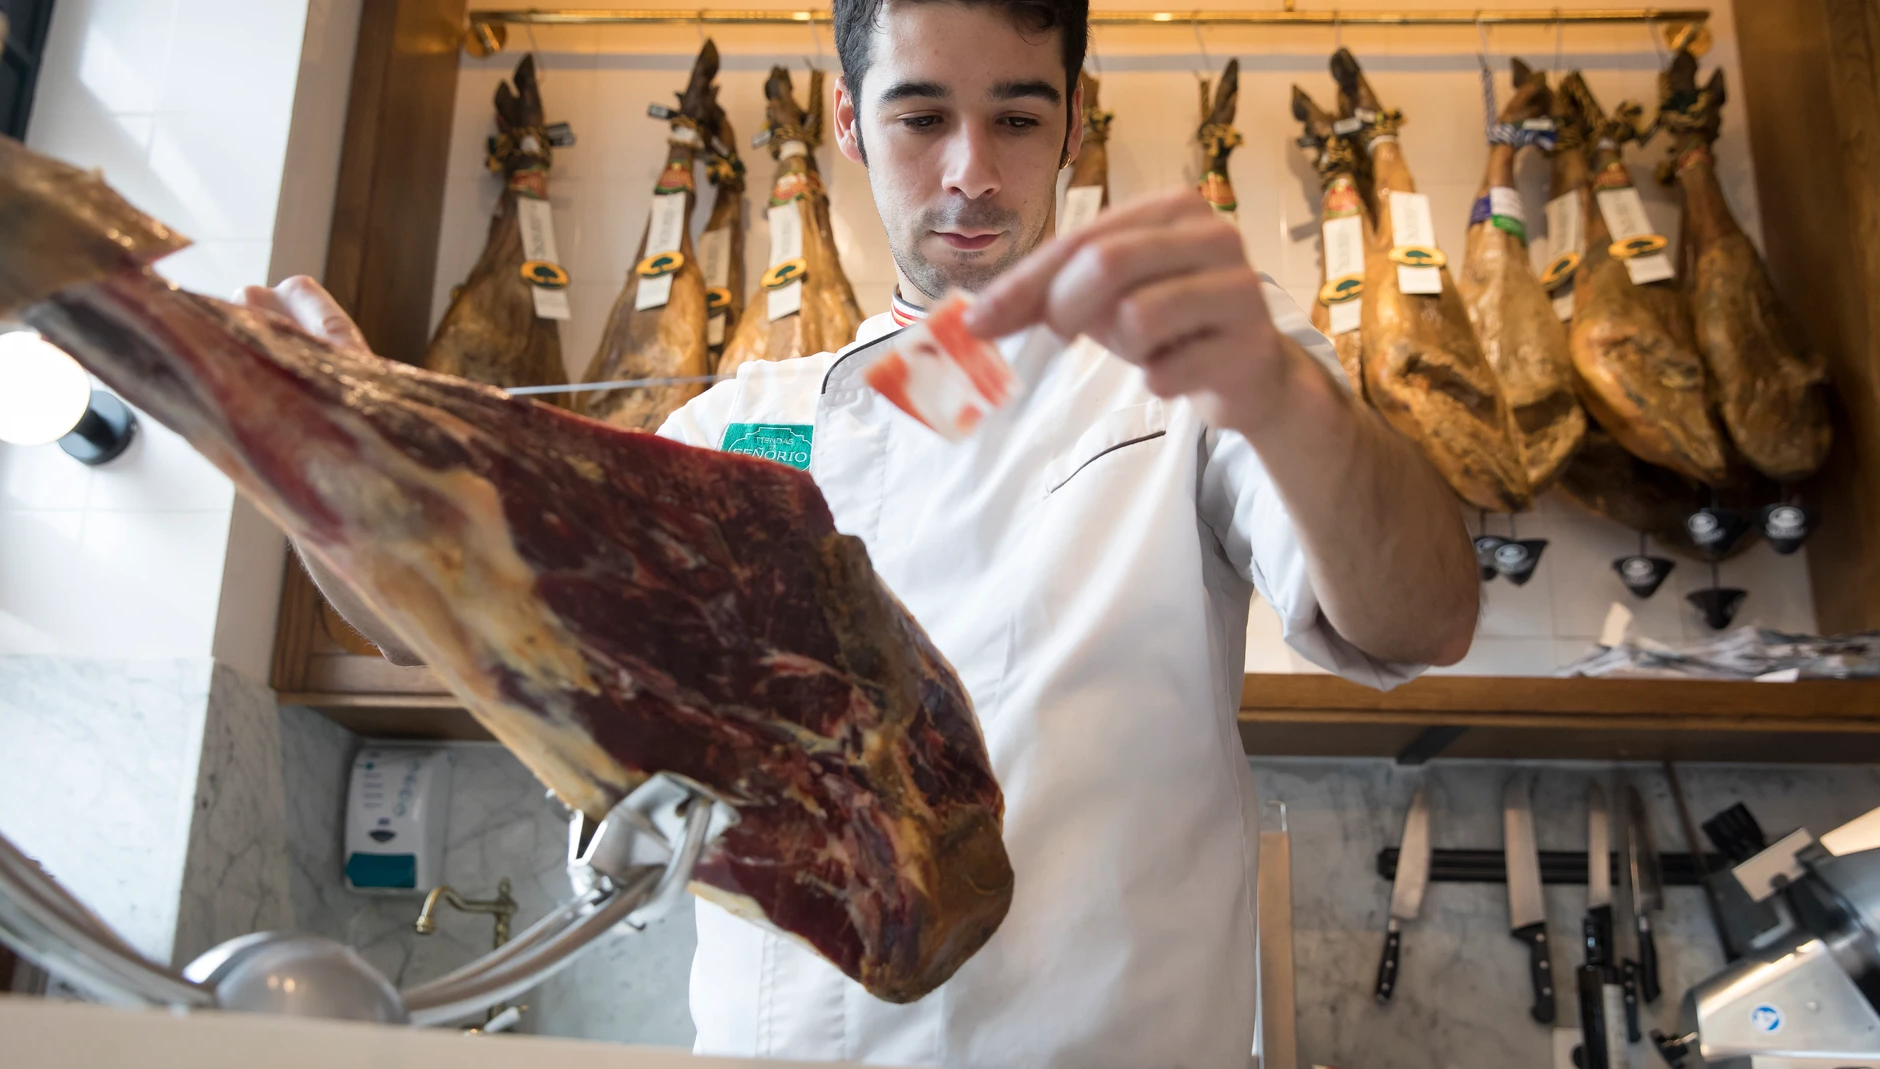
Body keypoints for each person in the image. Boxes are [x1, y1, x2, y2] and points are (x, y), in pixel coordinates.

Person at [247, 0, 1478, 1062]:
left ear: (1074, 116)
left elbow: (1421, 618)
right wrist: (314, 455)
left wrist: (1284, 394)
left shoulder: (1195, 374)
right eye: (922, 116)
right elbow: (453, 616)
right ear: (846, 119)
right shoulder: (737, 422)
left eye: (1017, 116)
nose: (971, 173)